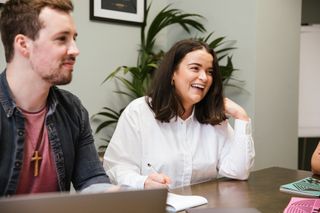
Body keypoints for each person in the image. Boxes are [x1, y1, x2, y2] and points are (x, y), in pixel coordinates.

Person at [104, 39, 255, 189]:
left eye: (209, 72)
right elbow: (117, 168)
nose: (204, 77)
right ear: (172, 73)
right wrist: (143, 183)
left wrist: (241, 117)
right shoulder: (138, 112)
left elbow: (238, 171)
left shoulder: (213, 117)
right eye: (195, 68)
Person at [0, 0, 112, 196]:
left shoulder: (73, 109)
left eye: (74, 38)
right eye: (62, 39)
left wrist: (124, 193)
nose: (75, 50)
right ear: (23, 44)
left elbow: (90, 179)